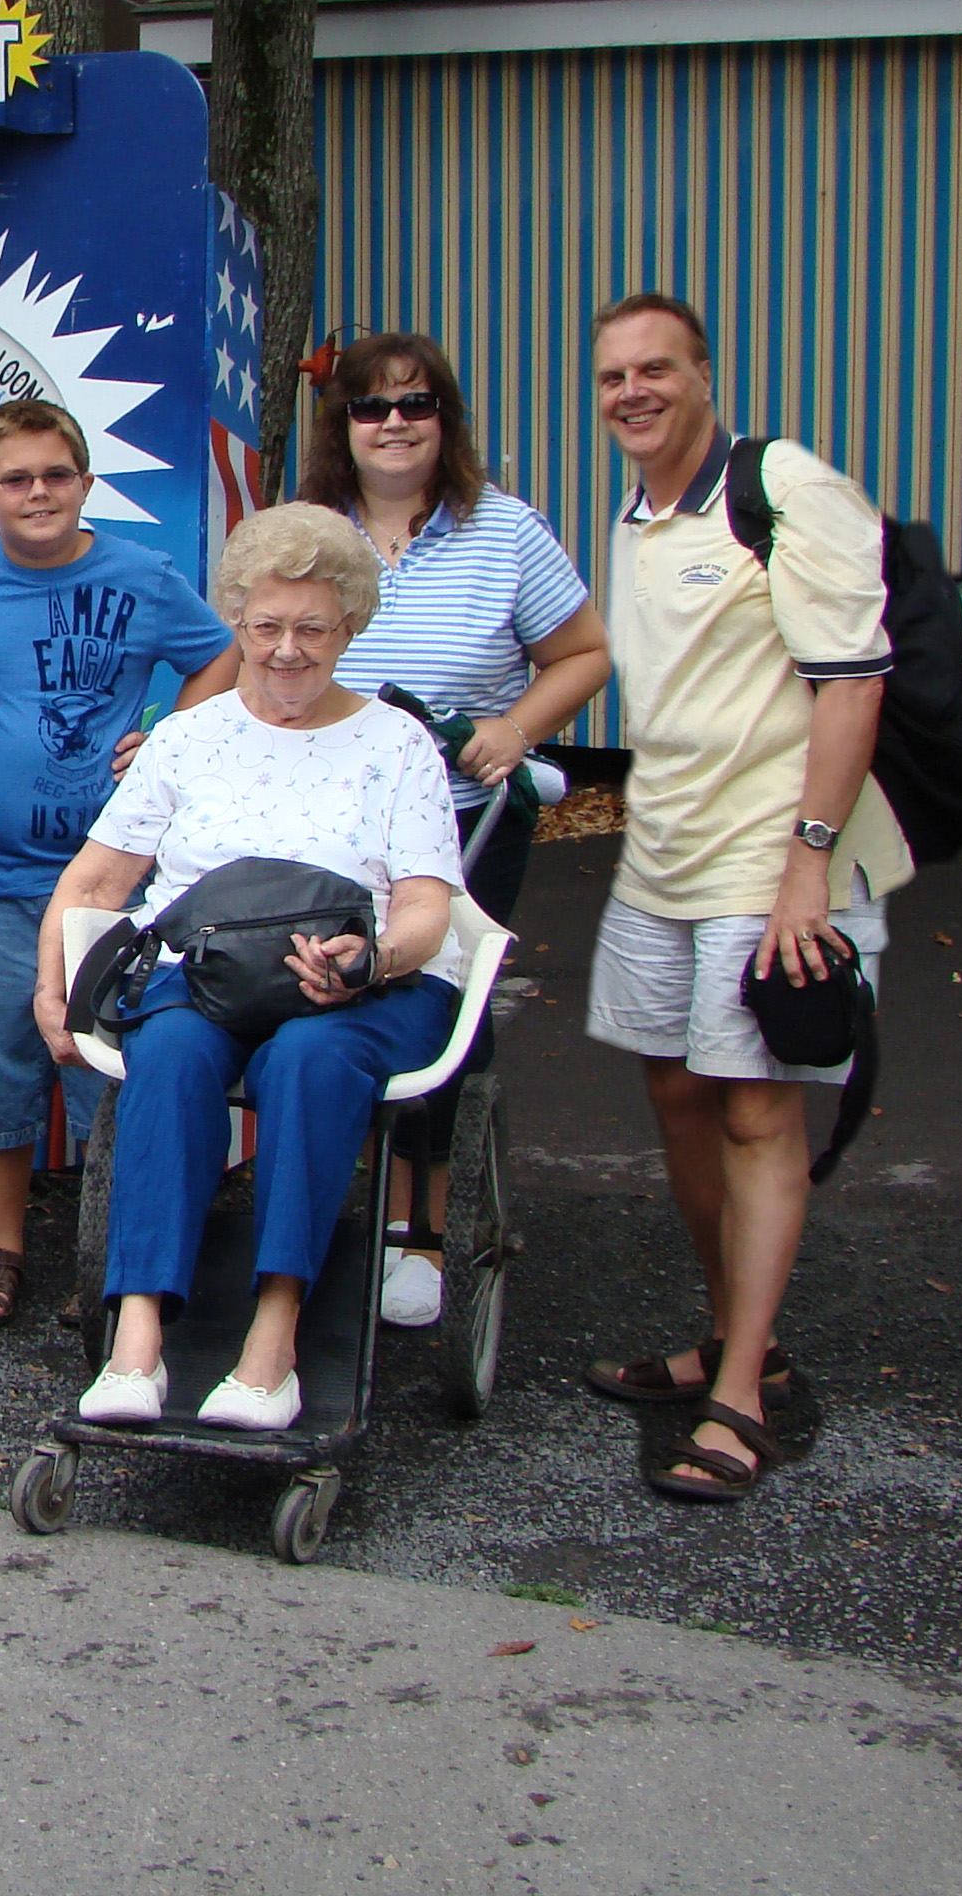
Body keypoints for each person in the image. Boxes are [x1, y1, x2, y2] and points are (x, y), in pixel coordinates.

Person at [34, 505, 468, 1432]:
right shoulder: (188, 737)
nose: (286, 650)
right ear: (237, 620)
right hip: (210, 971)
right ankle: (136, 1339)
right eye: (266, 626)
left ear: (350, 626)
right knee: (170, 1052)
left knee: (308, 1059)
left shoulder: (397, 744)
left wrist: (374, 959)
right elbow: (96, 880)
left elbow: (428, 907)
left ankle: (274, 1342)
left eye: (313, 628)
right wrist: (50, 987)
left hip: (363, 984)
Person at [578, 291, 903, 1503]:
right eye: (613, 376)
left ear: (705, 375)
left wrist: (809, 864)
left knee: (759, 1111)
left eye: (656, 369)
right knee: (677, 1090)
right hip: (664, 856)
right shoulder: (637, 514)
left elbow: (853, 684)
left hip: (774, 862)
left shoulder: (783, 488)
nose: (633, 393)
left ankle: (741, 1402)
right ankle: (732, 1341)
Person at [298, 332, 609, 1327]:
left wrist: (515, 729)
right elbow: (258, 653)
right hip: (329, 825)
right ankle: (333, 1208)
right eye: (370, 406)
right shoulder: (309, 534)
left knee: (431, 1010)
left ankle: (419, 1231)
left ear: (446, 419)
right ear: (343, 425)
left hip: (466, 823)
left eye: (415, 404)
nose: (393, 423)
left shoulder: (506, 532)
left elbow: (585, 653)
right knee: (326, 1001)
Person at [0, 397, 235, 1323]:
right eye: (16, 479)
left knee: (112, 1061)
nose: (38, 492)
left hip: (115, 884)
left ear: (87, 483)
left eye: (56, 475)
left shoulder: (144, 577)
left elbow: (220, 656)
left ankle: (117, 1252)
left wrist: (169, 735)